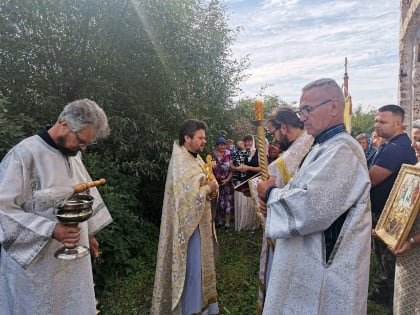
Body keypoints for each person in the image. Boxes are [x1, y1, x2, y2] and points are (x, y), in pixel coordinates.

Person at [257, 78, 372, 314]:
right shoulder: (323, 146)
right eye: (301, 110)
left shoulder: (343, 150)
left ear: (333, 107)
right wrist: (277, 199)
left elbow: (312, 207)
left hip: (326, 274)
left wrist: (270, 193)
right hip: (307, 264)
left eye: (308, 109)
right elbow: (301, 189)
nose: (302, 117)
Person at [0, 99, 112, 314]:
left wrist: (87, 234)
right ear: (64, 124)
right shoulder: (24, 154)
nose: (85, 148)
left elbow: (83, 193)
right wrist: (51, 229)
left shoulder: (73, 154)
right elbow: (3, 210)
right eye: (81, 142)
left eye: (89, 143)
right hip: (36, 268)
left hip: (72, 264)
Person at [152, 119, 219, 315]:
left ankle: (205, 307)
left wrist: (213, 191)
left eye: (204, 137)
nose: (204, 141)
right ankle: (192, 309)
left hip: (201, 224)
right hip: (188, 229)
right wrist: (209, 188)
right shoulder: (180, 162)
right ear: (187, 138)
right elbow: (185, 200)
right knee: (191, 270)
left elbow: (205, 184)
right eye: (200, 137)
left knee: (200, 269)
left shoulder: (196, 158)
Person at [249, 107, 313, 314]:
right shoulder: (310, 141)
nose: (275, 139)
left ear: (283, 127)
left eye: (274, 133)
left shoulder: (296, 151)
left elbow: (270, 179)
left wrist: (255, 188)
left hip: (294, 232)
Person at [369, 105, 417, 313]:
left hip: (395, 217)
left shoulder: (397, 148)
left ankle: (392, 301)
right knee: (385, 260)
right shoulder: (389, 145)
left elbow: (370, 179)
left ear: (398, 123)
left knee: (392, 264)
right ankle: (387, 294)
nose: (377, 125)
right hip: (388, 213)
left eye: (382, 121)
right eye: (376, 121)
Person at [389, 119, 420, 315]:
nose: (412, 144)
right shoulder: (416, 166)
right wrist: (389, 230)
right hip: (408, 251)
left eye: (417, 139)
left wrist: (410, 240)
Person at [231, 134, 261, 231]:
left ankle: (253, 225)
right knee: (243, 203)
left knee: (252, 204)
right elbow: (231, 165)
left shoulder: (258, 153)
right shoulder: (240, 153)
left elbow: (261, 168)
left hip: (254, 181)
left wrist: (248, 168)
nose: (248, 143)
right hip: (241, 181)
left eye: (249, 141)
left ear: (253, 142)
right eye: (246, 141)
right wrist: (237, 168)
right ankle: (243, 224)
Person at [207, 137, 233, 230]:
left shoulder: (230, 154)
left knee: (227, 202)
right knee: (217, 201)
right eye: (221, 144)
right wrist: (211, 180)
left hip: (227, 183)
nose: (223, 146)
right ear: (217, 145)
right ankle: (220, 221)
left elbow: (232, 170)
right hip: (215, 183)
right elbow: (208, 169)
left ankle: (227, 223)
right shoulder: (211, 155)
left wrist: (228, 180)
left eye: (224, 144)